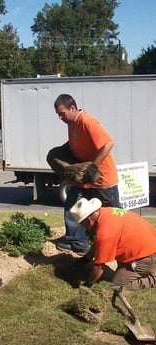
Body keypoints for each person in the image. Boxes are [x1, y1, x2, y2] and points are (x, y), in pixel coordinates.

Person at [52, 94, 120, 255]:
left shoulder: (87, 121)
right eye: (57, 114)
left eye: (62, 113)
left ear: (72, 108)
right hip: (83, 178)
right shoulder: (72, 122)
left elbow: (108, 143)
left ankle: (118, 243)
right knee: (73, 206)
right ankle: (77, 243)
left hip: (102, 178)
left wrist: (94, 166)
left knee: (111, 213)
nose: (60, 117)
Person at [70, 198, 156, 289]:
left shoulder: (105, 233)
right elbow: (97, 242)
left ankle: (153, 278)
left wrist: (88, 284)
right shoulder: (106, 212)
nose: (83, 227)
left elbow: (99, 267)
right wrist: (87, 258)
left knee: (117, 286)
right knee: (120, 275)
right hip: (144, 246)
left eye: (82, 224)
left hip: (146, 256)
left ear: (88, 220)